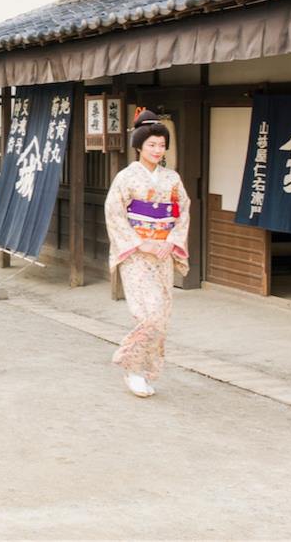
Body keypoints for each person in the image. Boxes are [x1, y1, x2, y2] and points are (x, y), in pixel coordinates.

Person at [103, 110, 191, 397]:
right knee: (148, 315)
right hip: (137, 254)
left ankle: (142, 369)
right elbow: (114, 213)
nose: (157, 150)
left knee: (162, 317)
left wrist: (172, 240)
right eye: (151, 145)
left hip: (162, 253)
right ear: (139, 146)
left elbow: (182, 212)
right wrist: (141, 243)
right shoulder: (126, 178)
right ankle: (132, 367)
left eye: (161, 145)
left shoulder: (172, 179)